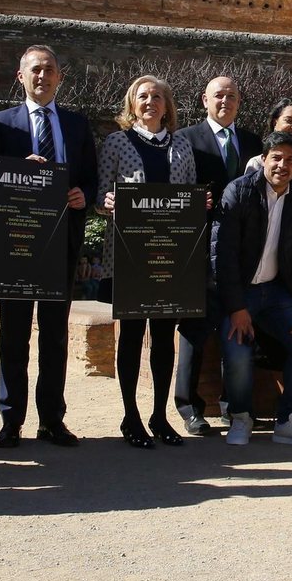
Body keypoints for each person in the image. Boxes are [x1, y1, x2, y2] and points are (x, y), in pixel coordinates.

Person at [0, 44, 98, 449]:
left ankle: (52, 419)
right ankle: (10, 419)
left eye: (49, 70)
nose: (42, 76)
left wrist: (84, 194)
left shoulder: (78, 125)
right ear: (21, 76)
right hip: (16, 245)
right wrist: (18, 174)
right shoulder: (1, 124)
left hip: (60, 244)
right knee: (13, 334)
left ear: (59, 78)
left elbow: (91, 178)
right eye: (35, 70)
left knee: (54, 336)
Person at [98, 75, 198, 448]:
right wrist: (106, 202)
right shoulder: (116, 142)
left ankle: (159, 415)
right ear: (132, 104)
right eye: (143, 96)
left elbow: (189, 196)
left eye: (157, 96)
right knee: (131, 335)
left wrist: (196, 204)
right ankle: (130, 416)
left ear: (167, 105)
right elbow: (100, 194)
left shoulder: (182, 146)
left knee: (162, 337)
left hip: (170, 257)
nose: (150, 102)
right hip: (130, 256)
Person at [215, 131, 292, 447]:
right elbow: (222, 254)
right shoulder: (239, 192)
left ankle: (290, 421)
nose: (282, 165)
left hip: (278, 292)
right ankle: (241, 417)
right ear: (264, 159)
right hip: (241, 292)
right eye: (276, 157)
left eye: (290, 160)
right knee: (236, 351)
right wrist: (236, 308)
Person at [172, 76, 262, 436]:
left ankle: (231, 405)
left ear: (240, 102)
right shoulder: (185, 140)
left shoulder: (254, 143)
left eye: (232, 96)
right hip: (198, 247)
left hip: (242, 252)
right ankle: (189, 407)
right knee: (195, 328)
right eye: (218, 96)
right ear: (204, 100)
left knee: (236, 326)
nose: (225, 101)